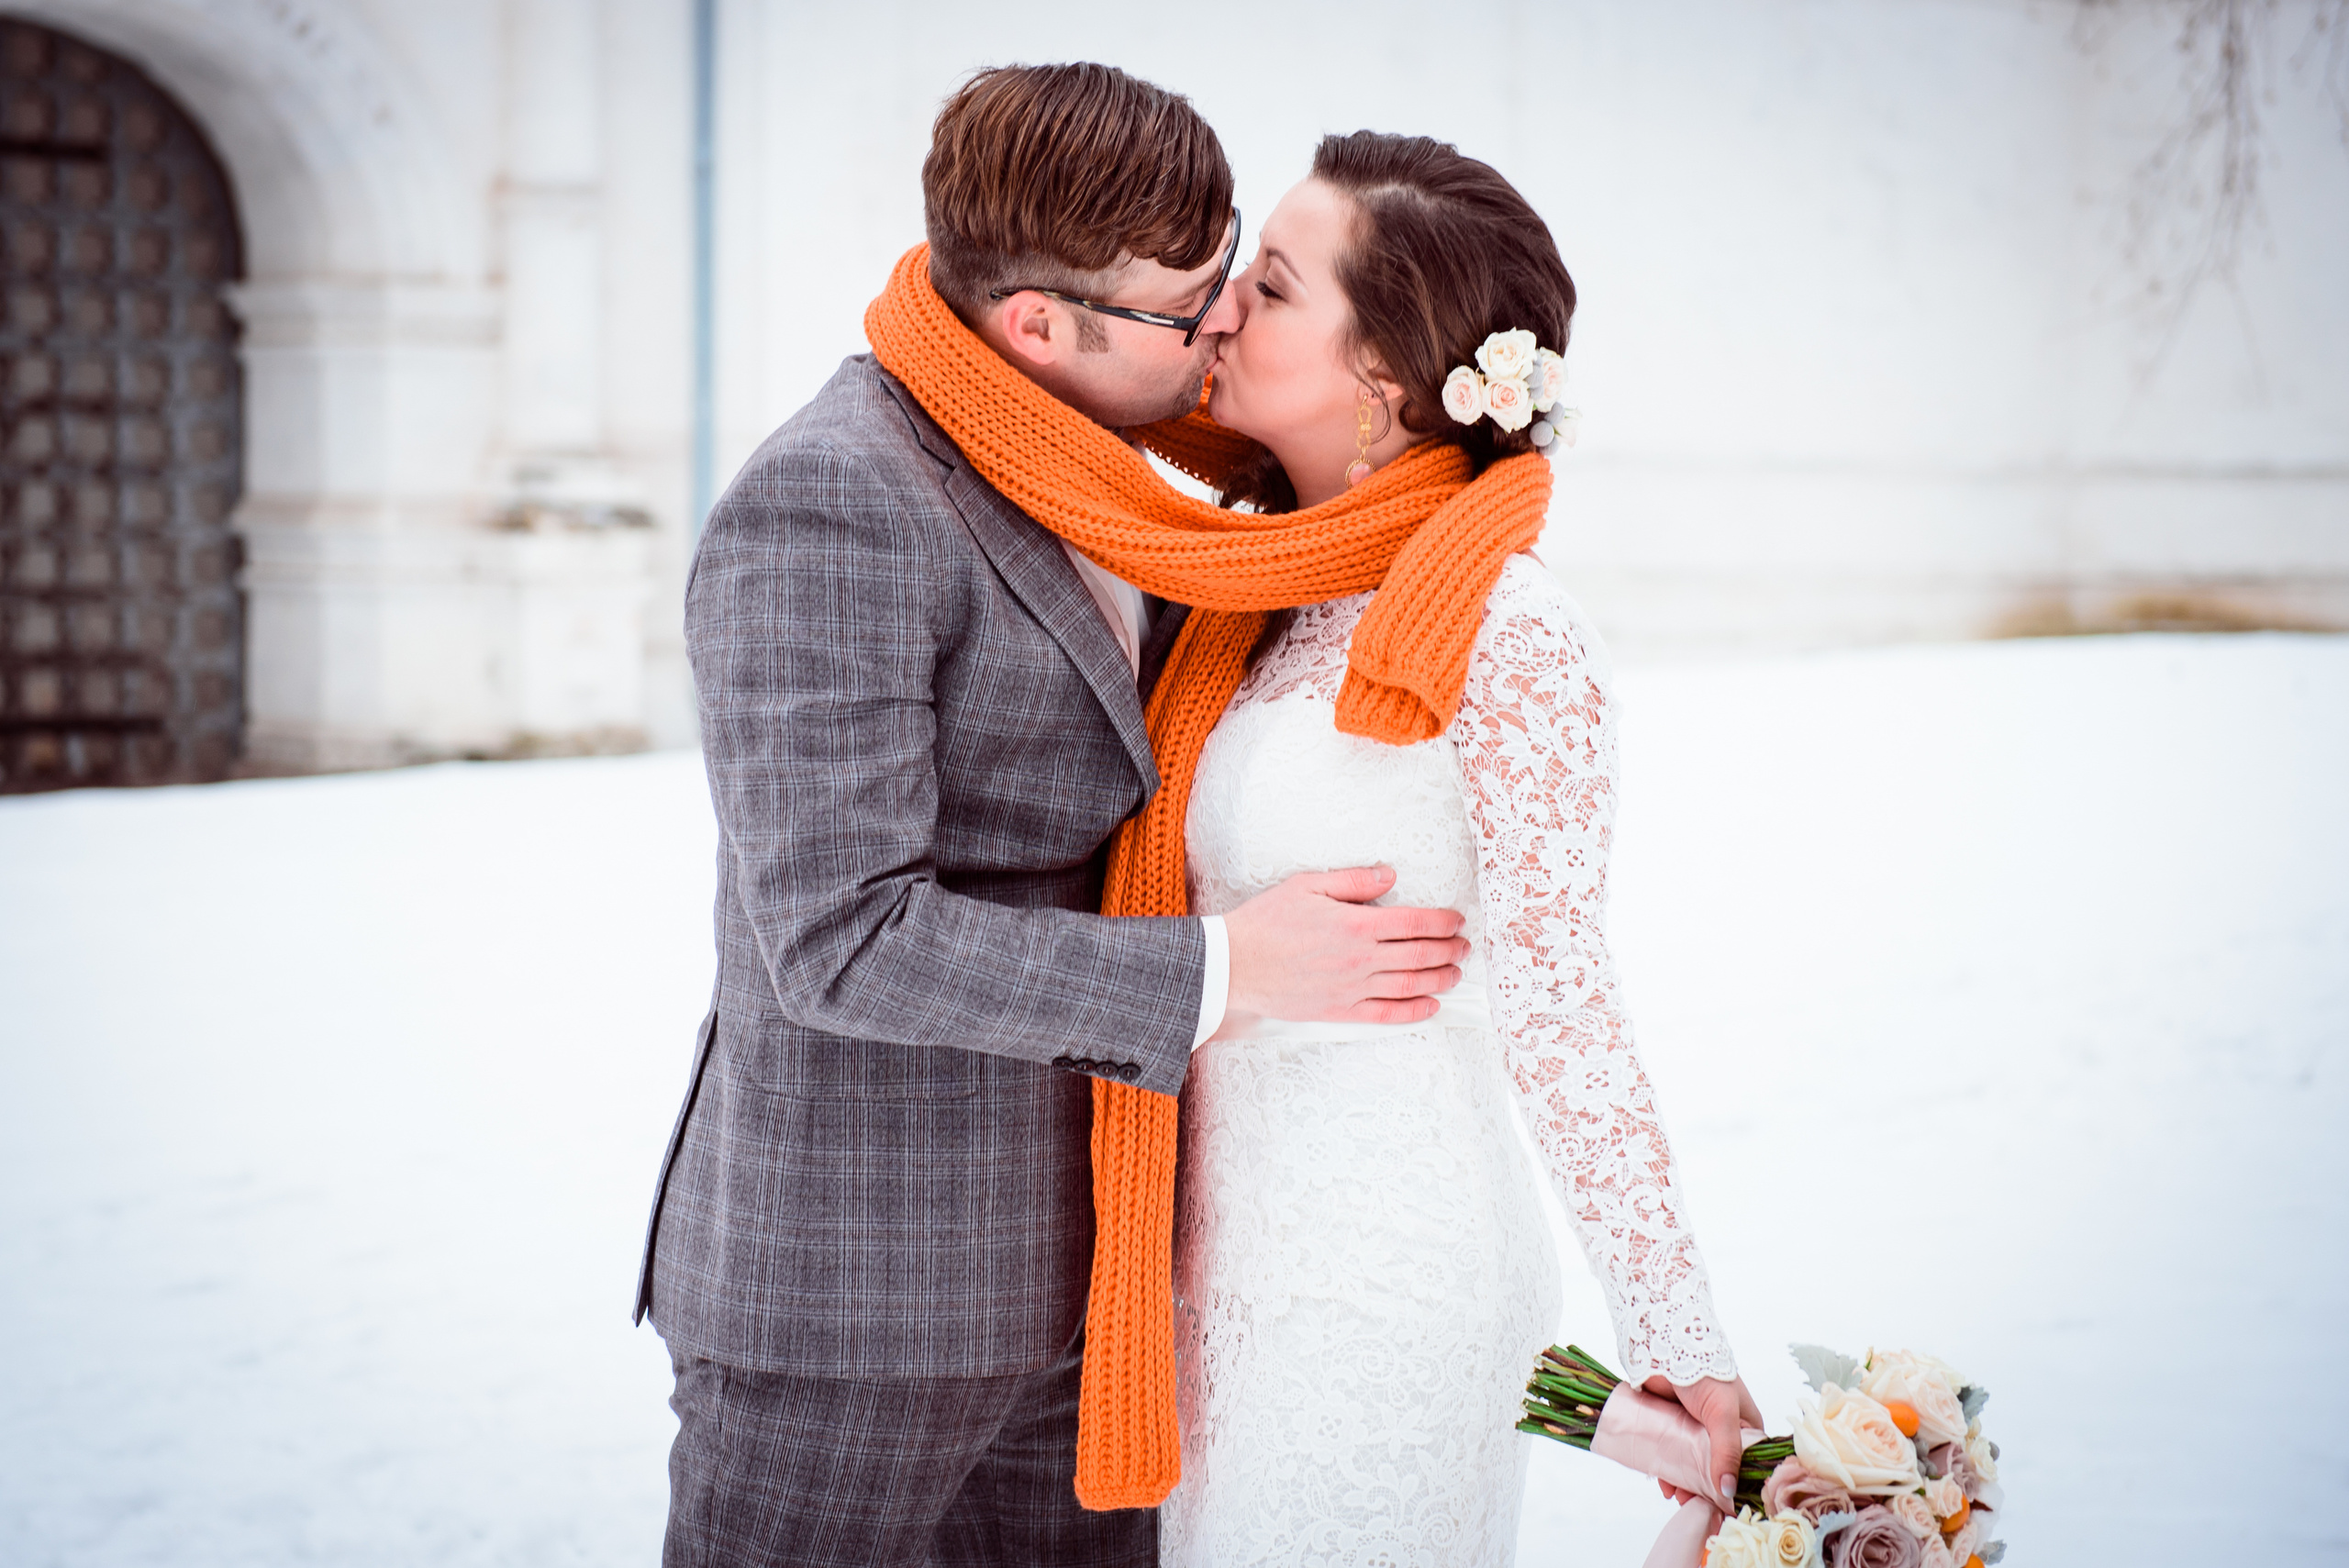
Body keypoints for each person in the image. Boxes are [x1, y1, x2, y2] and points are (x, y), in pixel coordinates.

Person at [860, 129, 1759, 1565]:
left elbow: (1563, 998)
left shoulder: (1506, 632)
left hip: (1384, 1280)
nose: (1221, 309)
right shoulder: (1253, 591)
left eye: (1270, 287)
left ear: (1388, 378)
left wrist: (1679, 1332)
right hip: (1223, 1285)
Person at [632, 68, 1472, 1568]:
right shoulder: (836, 502)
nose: (1224, 319)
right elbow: (846, 937)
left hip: (1094, 1289)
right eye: (1188, 300)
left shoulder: (1105, 478)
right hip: (856, 1301)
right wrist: (1226, 969)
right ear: (1038, 323)